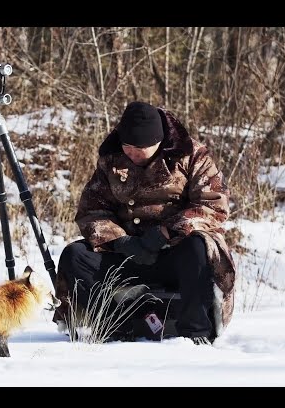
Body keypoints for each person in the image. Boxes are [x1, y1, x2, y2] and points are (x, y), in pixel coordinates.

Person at [52, 101, 236, 345]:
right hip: (128, 254)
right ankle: (113, 324)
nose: (132, 153)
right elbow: (91, 210)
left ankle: (196, 333)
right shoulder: (111, 159)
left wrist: (165, 233)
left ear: (158, 142)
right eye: (128, 147)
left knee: (200, 247)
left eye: (140, 148)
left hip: (175, 251)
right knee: (75, 255)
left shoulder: (192, 155)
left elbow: (213, 205)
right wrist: (120, 241)